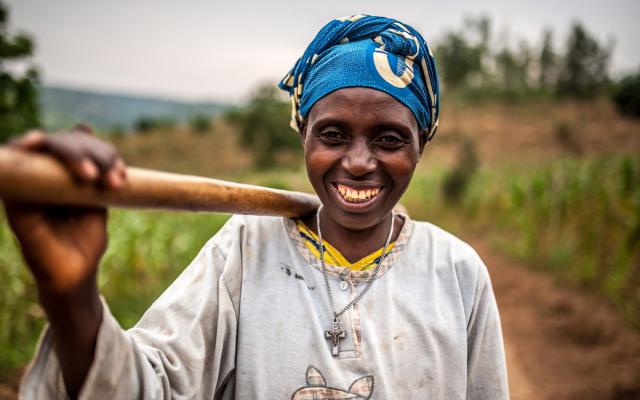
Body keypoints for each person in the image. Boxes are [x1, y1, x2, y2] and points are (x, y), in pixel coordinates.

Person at [4, 15, 509, 399]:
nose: (358, 162)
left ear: (422, 144)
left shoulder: (457, 273)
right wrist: (70, 295)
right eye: (332, 134)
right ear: (303, 138)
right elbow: (149, 385)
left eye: (390, 139)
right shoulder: (247, 249)